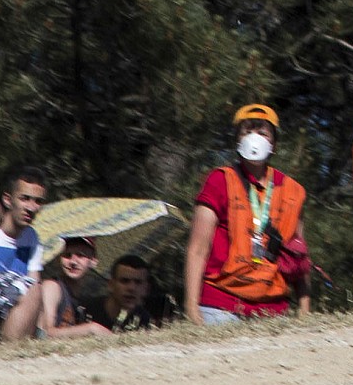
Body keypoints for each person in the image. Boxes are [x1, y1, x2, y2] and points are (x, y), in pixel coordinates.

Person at [185, 103, 311, 324]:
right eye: (247, 131)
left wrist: (304, 309)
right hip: (220, 305)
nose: (254, 138)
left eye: (262, 132)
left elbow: (298, 254)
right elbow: (198, 248)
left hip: (273, 310)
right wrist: (192, 309)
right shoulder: (219, 180)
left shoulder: (292, 191)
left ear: (273, 144)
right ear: (237, 140)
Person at [0, 166, 49, 341]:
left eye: (38, 201)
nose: (31, 208)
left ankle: (11, 353)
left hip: (10, 309)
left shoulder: (31, 237)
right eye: (25, 199)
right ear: (7, 199)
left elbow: (34, 287)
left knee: (35, 289)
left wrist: (41, 333)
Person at [27, 236, 110, 339]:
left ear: (93, 261)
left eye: (80, 255)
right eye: (67, 255)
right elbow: (46, 333)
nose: (73, 262)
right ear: (58, 259)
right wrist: (91, 329)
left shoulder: (81, 298)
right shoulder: (52, 287)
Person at [96, 254, 167, 331]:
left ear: (146, 289)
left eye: (138, 282)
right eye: (124, 281)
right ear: (111, 285)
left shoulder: (145, 323)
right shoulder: (86, 309)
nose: (131, 288)